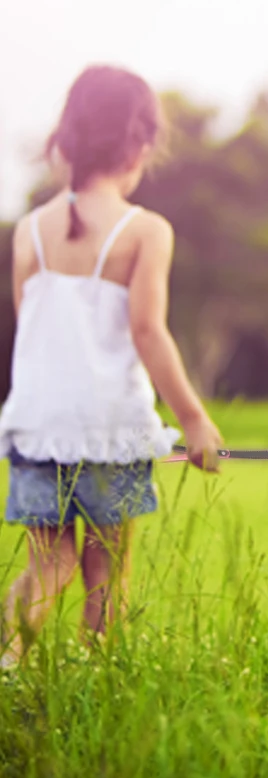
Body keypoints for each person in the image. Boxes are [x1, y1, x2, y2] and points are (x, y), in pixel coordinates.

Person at [0, 65, 222, 665]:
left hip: (37, 426)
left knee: (48, 564)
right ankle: (103, 684)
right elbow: (148, 331)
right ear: (140, 146)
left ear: (65, 142)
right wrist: (194, 421)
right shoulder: (145, 230)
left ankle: (6, 665)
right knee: (107, 572)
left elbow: (31, 329)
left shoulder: (30, 231)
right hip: (108, 431)